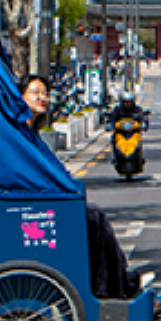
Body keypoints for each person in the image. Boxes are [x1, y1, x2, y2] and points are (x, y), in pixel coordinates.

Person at [19, 74, 142, 299]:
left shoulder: (29, 133)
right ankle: (109, 287)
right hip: (34, 208)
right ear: (19, 96)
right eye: (35, 92)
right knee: (94, 217)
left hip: (42, 200)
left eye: (45, 93)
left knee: (94, 217)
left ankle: (115, 282)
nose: (43, 98)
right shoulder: (19, 135)